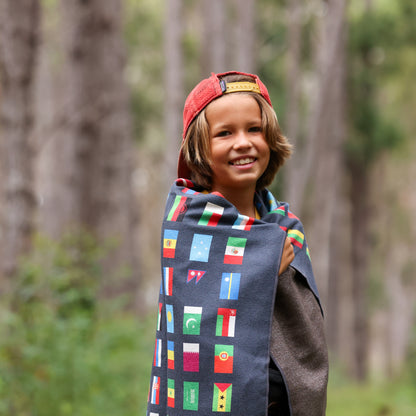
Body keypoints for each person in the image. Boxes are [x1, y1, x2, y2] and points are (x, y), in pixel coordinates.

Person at [146, 71, 328, 416]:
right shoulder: (189, 225)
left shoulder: (283, 228)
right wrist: (260, 265)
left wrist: (267, 252)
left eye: (254, 129)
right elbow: (196, 322)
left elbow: (306, 335)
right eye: (225, 133)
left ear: (270, 139)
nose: (242, 142)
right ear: (200, 148)